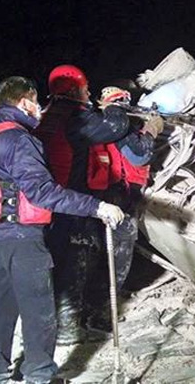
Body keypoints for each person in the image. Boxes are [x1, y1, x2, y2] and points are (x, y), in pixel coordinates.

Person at [0, 76, 125, 384]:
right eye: (36, 103)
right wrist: (96, 207)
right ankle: (39, 375)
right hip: (21, 237)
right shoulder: (18, 139)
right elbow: (42, 193)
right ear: (25, 102)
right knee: (38, 310)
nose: (39, 109)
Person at [33, 64, 130, 344]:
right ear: (75, 90)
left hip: (50, 199)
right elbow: (115, 127)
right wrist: (113, 106)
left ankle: (66, 317)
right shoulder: (73, 117)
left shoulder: (48, 115)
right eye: (86, 89)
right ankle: (67, 325)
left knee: (62, 256)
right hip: (71, 198)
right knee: (77, 255)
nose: (89, 94)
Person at [81, 86, 164, 329]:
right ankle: (100, 310)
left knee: (95, 253)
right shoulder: (118, 125)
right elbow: (139, 155)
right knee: (118, 250)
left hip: (89, 196)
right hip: (115, 196)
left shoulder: (92, 123)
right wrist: (151, 130)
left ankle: (84, 308)